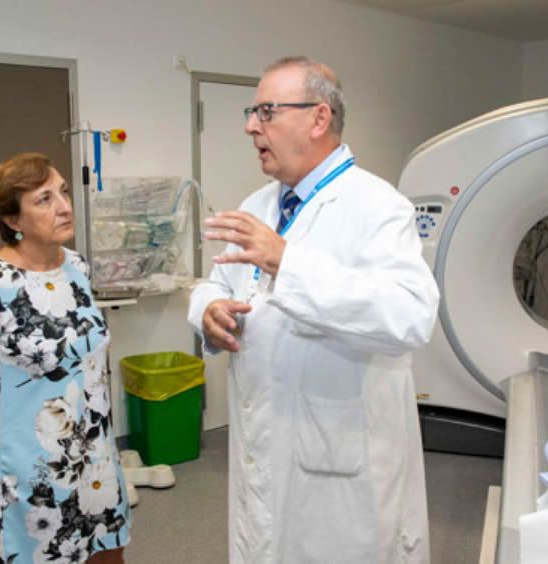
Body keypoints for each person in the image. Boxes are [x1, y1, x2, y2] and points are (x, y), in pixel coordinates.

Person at [188, 56, 440, 562]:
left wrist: (288, 262)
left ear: (319, 118)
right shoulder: (259, 204)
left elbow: (411, 315)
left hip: (340, 459)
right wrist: (208, 309)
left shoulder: (376, 206)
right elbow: (215, 281)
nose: (250, 126)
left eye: (266, 111)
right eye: (251, 112)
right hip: (265, 437)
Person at [0, 153, 130, 564]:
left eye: (63, 192)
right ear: (12, 220)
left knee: (106, 554)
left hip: (96, 456)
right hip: (29, 465)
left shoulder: (77, 267)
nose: (64, 206)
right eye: (44, 199)